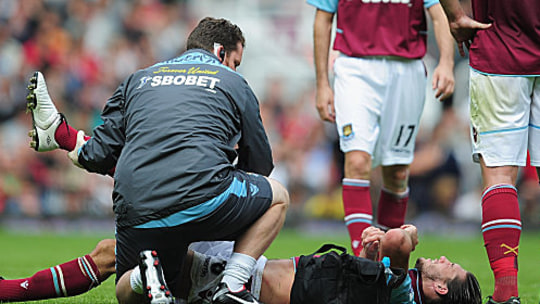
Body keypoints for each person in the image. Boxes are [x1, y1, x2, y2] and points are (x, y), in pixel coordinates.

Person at [26, 16, 290, 304]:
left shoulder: (137, 78)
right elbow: (260, 166)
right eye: (235, 61)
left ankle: (144, 275)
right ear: (220, 52)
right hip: (203, 200)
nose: (235, 68)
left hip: (135, 209)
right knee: (278, 195)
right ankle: (233, 286)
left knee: (127, 290)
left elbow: (99, 156)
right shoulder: (234, 82)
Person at [307, 0, 457, 257]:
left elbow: (440, 11)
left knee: (397, 172)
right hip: (355, 67)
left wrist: (446, 62)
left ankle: (387, 260)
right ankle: (363, 260)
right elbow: (323, 19)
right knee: (356, 161)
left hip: (406, 69)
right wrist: (322, 83)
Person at [0, 225, 481, 304]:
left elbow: (404, 238)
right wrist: (373, 254)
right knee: (128, 286)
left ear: (439, 290)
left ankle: (74, 141)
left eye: (448, 267)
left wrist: (400, 237)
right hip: (246, 276)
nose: (440, 258)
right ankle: (154, 283)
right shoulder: (395, 290)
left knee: (114, 251)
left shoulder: (405, 293)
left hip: (242, 279)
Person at [436, 1, 540, 303]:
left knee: (499, 174)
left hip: (500, 48)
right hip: (501, 50)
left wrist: (454, 15)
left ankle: (506, 294)